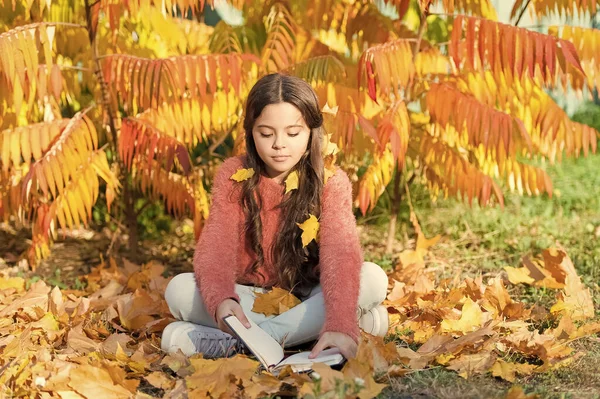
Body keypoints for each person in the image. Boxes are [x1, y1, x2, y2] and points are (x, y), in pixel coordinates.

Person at [161, 73, 389, 360]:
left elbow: (341, 254)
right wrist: (221, 301)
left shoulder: (331, 180)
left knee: (373, 278)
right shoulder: (234, 175)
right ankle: (336, 329)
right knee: (178, 290)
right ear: (250, 132)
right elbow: (215, 248)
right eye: (266, 134)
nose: (279, 144)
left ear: (311, 132)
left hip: (309, 294)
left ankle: (247, 343)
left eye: (293, 133)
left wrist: (340, 322)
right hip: (251, 298)